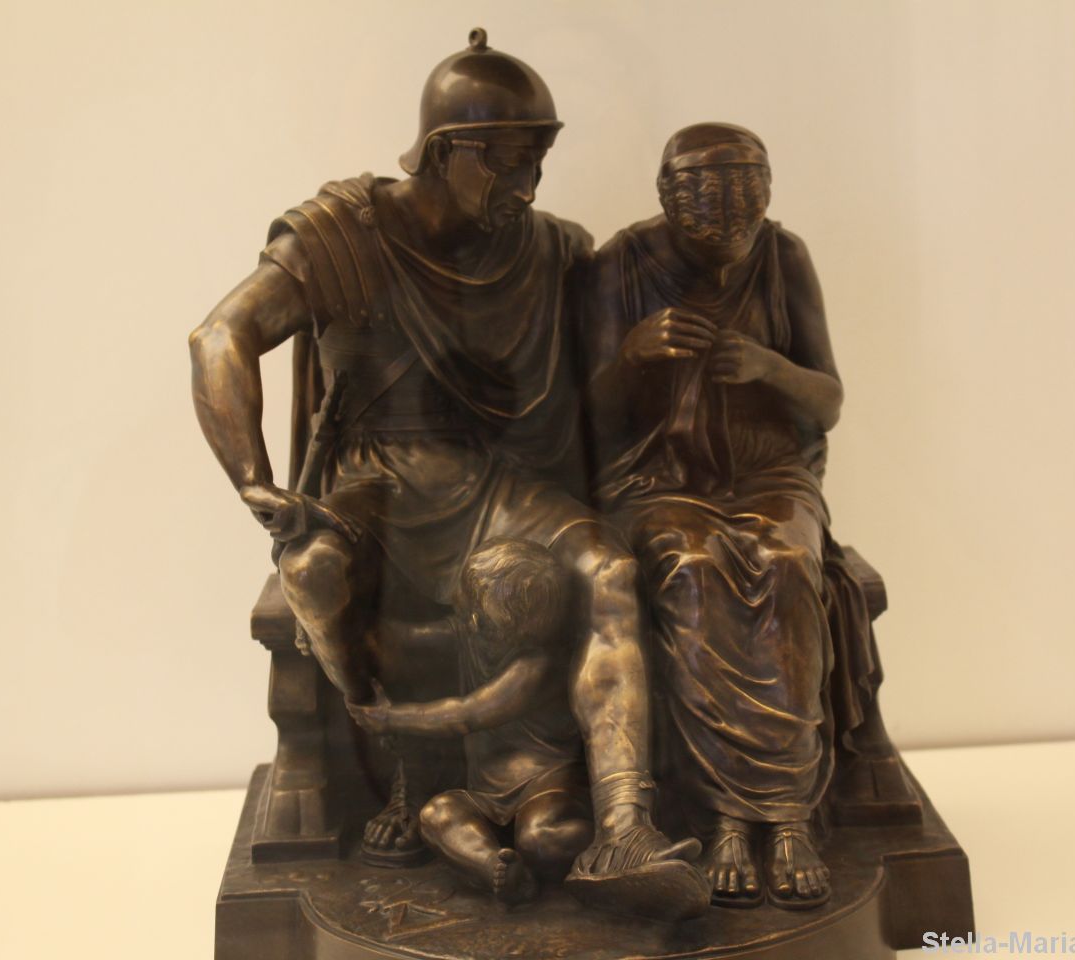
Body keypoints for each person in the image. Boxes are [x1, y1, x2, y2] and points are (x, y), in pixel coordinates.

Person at [188, 29, 707, 920]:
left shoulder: (551, 251)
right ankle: (389, 762)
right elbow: (219, 337)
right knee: (317, 570)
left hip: (499, 482)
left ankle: (626, 829)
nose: (528, 186)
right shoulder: (341, 235)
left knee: (610, 567)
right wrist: (254, 478)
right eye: (506, 162)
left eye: (538, 161)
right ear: (441, 152)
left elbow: (595, 396)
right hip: (375, 491)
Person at [583, 123, 879, 910]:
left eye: (746, 202)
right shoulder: (620, 264)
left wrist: (769, 367)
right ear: (668, 199)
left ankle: (785, 815)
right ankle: (723, 817)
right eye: (706, 205)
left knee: (787, 565)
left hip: (769, 473)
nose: (729, 224)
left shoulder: (784, 257)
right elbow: (585, 416)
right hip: (660, 477)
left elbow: (829, 401)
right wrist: (633, 353)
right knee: (692, 568)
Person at [349, 539, 592, 905]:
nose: (469, 621)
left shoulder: (537, 667)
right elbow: (408, 637)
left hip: (545, 787)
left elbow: (466, 714)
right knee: (438, 816)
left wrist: (390, 718)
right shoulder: (479, 636)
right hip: (487, 796)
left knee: (539, 837)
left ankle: (595, 844)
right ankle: (494, 866)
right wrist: (345, 624)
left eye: (478, 616)